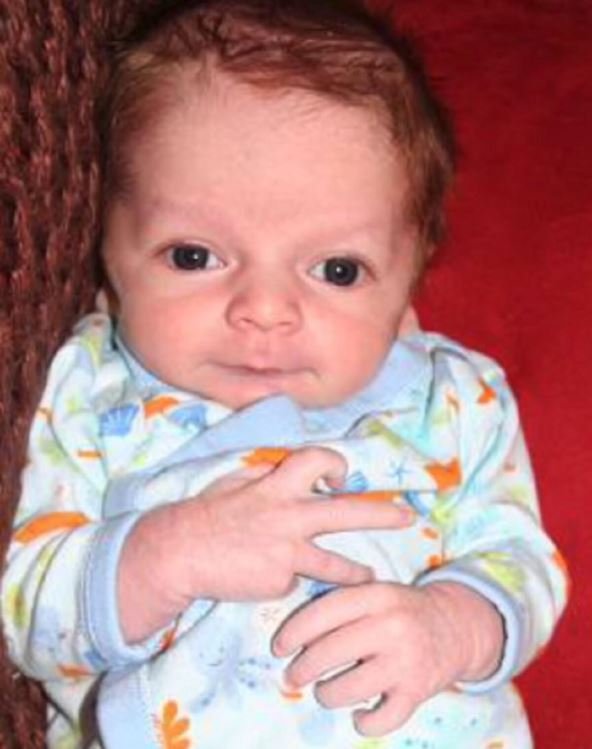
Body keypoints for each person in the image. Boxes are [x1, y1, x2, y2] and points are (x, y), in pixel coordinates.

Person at [1, 1, 569, 747]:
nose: (265, 310)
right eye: (194, 256)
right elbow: (25, 611)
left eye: (337, 270)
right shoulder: (91, 390)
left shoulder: (456, 399)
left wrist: (452, 623)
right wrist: (169, 556)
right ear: (109, 251)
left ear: (408, 286)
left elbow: (523, 563)